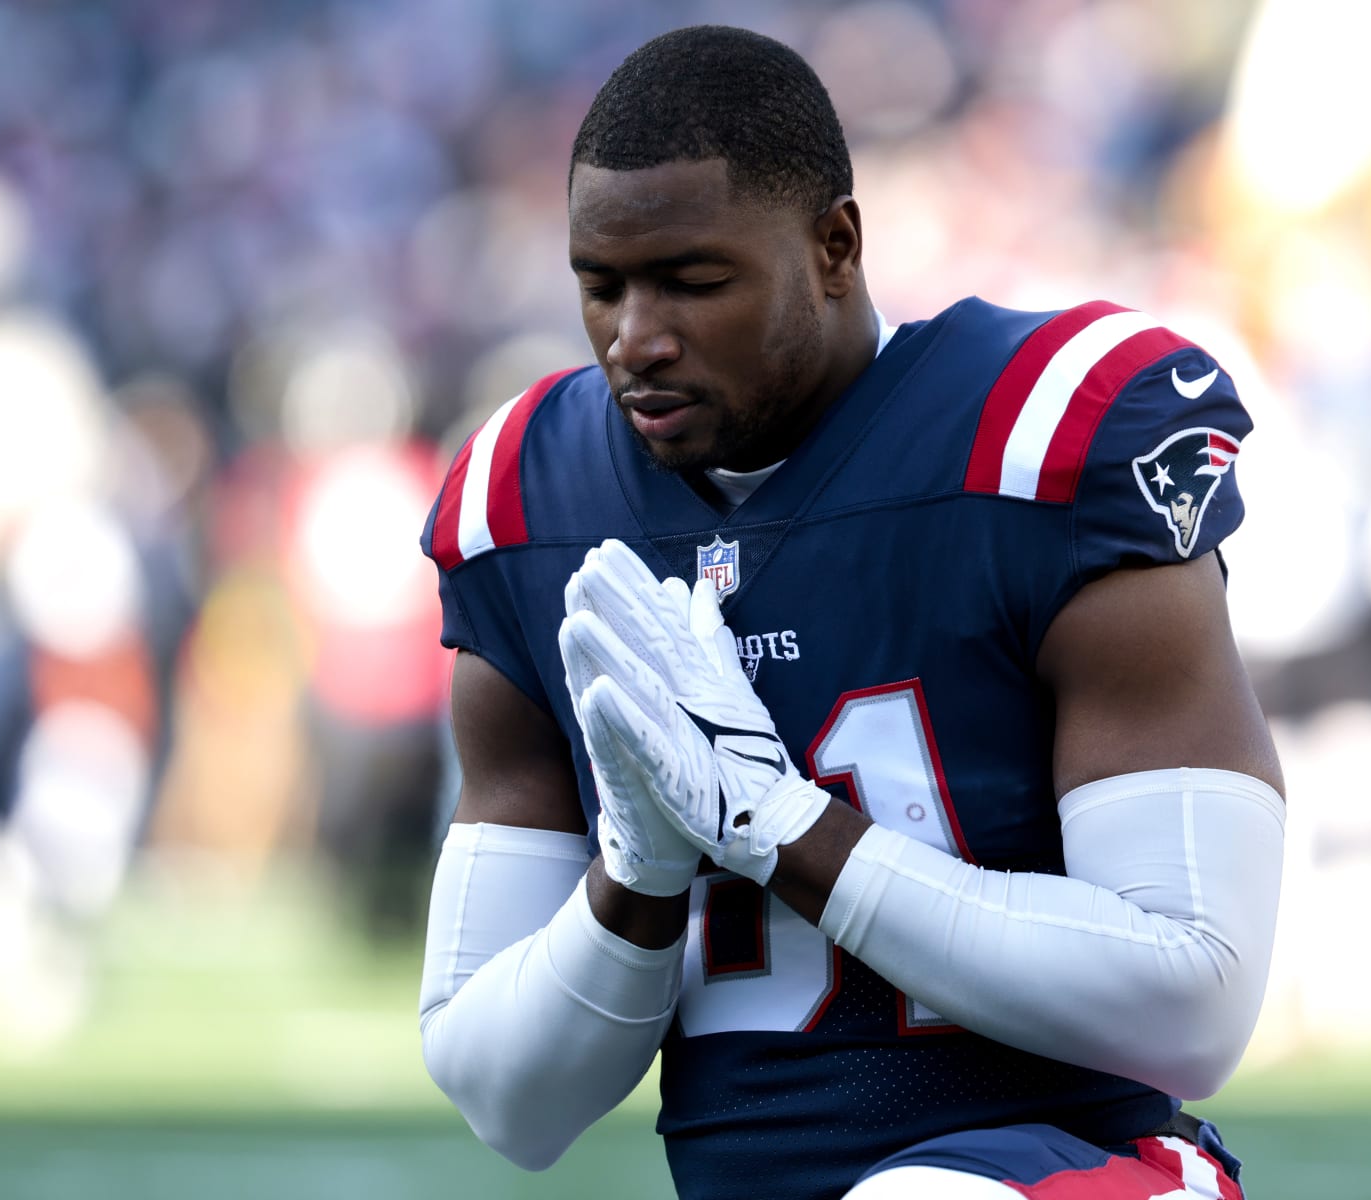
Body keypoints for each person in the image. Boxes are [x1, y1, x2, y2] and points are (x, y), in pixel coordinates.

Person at [417, 25, 1284, 1200]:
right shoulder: (530, 501)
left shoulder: (1043, 442)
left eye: (692, 279)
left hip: (1081, 1167)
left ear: (836, 246)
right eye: (601, 285)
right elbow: (506, 1098)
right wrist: (638, 866)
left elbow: (1196, 1005)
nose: (637, 338)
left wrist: (783, 827)